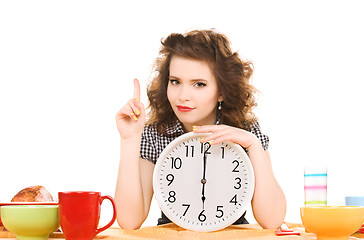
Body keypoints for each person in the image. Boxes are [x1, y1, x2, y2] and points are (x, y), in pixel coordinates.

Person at [115, 29, 286, 230]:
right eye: (175, 81)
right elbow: (129, 221)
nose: (183, 95)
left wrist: (253, 145)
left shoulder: (244, 130)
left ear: (221, 91)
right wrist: (129, 140)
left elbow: (272, 220)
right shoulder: (156, 134)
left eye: (199, 84)